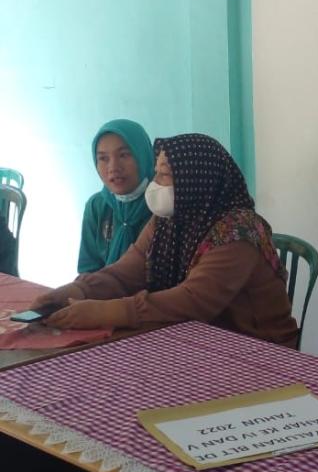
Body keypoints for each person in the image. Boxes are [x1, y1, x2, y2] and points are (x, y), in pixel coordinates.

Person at [31, 133, 298, 347]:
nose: (155, 184)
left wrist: (106, 312)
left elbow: (193, 301)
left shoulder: (238, 232)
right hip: (196, 339)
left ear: (194, 181)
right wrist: (78, 291)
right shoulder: (169, 221)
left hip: (259, 351)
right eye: (156, 173)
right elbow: (127, 272)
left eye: (164, 176)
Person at [78, 119, 154, 272]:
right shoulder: (97, 206)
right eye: (103, 158)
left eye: (124, 155)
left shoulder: (161, 206)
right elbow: (88, 269)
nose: (113, 167)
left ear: (143, 155)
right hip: (100, 287)